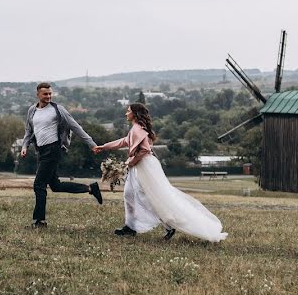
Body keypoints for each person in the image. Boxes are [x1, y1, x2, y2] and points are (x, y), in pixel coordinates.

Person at [93, 103, 228, 242]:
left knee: (151, 197)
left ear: (135, 114)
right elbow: (123, 142)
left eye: (128, 111)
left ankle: (168, 225)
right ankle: (130, 227)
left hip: (144, 166)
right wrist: (104, 147)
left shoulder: (137, 129)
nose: (126, 114)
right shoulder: (135, 129)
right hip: (139, 166)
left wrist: (131, 162)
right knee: (129, 194)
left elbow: (145, 150)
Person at [21, 82, 103, 227]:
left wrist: (91, 144)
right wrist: (24, 146)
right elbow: (28, 130)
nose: (48, 96)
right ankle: (91, 188)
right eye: (45, 94)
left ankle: (39, 221)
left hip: (53, 149)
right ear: (38, 94)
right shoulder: (32, 110)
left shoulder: (58, 109)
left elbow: (75, 126)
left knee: (39, 185)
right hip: (41, 150)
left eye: (50, 94)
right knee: (55, 185)